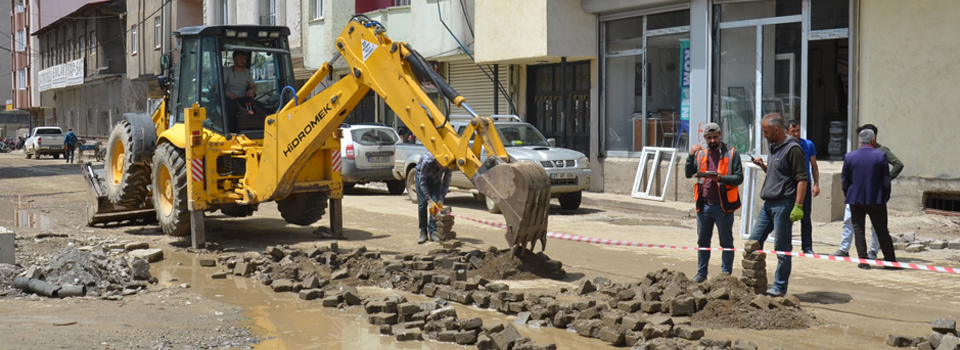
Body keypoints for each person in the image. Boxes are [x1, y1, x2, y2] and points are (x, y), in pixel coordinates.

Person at [747, 114, 808, 297]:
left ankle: (779, 287)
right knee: (753, 242)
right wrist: (763, 166)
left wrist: (798, 205)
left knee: (782, 248)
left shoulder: (793, 149)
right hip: (768, 205)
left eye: (766, 131)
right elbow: (778, 174)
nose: (764, 135)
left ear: (776, 130)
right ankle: (750, 279)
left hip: (784, 205)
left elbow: (802, 179)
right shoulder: (774, 148)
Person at [833, 124, 903, 259]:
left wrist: (848, 194)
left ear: (860, 141)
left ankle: (863, 260)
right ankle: (889, 260)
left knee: (858, 230)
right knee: (881, 230)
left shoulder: (849, 156)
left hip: (855, 199)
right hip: (876, 198)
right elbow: (885, 179)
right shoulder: (880, 155)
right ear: (873, 140)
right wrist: (886, 193)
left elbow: (844, 180)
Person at [684, 122, 743, 283]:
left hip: (723, 206)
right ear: (705, 138)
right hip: (704, 206)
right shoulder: (701, 153)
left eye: (714, 137)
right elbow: (689, 173)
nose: (712, 140)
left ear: (720, 136)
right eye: (709, 138)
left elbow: (739, 177)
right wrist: (690, 156)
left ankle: (725, 275)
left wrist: (721, 178)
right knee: (703, 241)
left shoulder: (731, 153)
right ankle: (701, 273)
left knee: (726, 241)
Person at [786, 120, 819, 254]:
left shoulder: (808, 144)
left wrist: (816, 184)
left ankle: (807, 247)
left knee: (805, 217)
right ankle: (786, 246)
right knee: (788, 217)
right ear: (787, 132)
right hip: (789, 185)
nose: (796, 134)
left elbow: (814, 166)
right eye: (793, 131)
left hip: (804, 183)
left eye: (798, 130)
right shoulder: (784, 146)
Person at [416, 152, 453, 244]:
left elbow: (446, 183)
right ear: (437, 161)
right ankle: (423, 232)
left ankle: (433, 232)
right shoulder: (427, 161)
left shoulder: (449, 163)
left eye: (445, 167)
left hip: (436, 179)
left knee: (436, 204)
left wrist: (441, 198)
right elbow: (422, 183)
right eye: (441, 166)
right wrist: (429, 200)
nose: (443, 168)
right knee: (422, 204)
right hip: (421, 178)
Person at [223, 51, 257, 132]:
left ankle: (253, 129)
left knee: (257, 107)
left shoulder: (247, 72)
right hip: (230, 99)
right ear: (234, 59)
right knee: (232, 109)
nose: (243, 60)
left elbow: (253, 86)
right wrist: (228, 94)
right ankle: (232, 131)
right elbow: (219, 87)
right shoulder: (227, 71)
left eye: (244, 59)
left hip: (244, 98)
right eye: (240, 58)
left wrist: (251, 91)